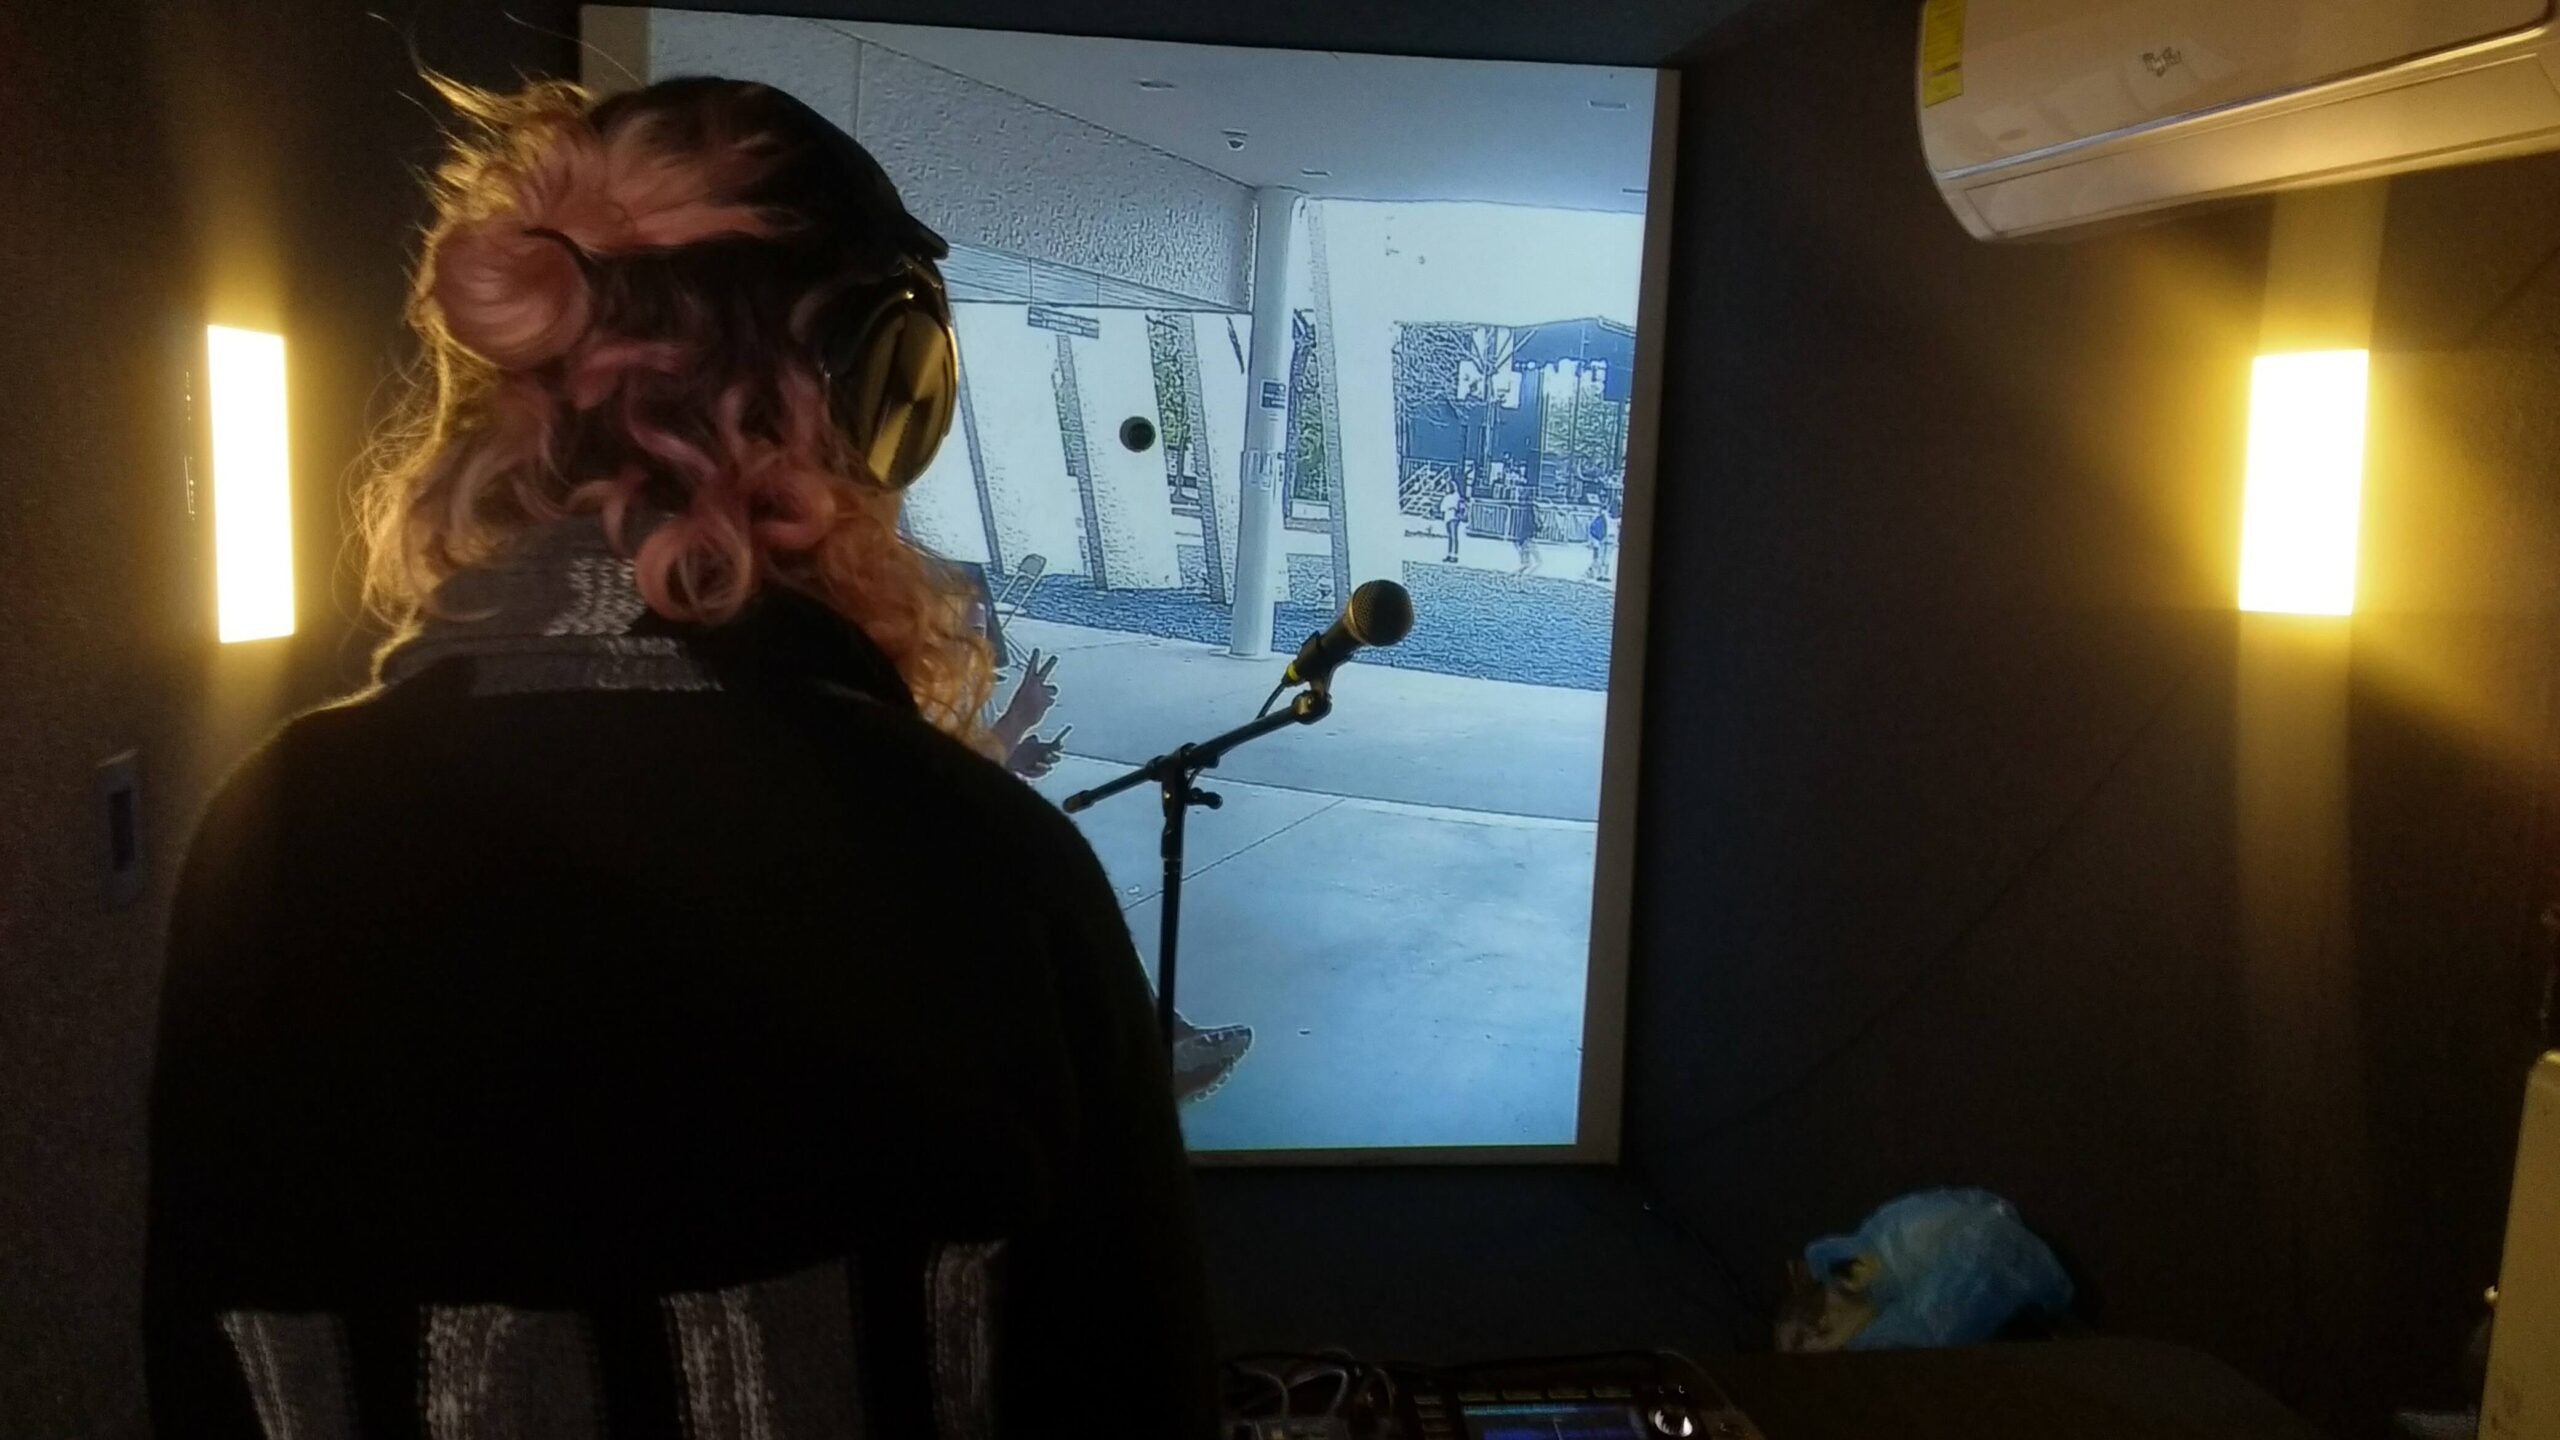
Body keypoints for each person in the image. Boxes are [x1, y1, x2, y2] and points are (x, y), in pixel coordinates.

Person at [145, 76, 1217, 1437]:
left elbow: (203, 1370)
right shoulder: (987, 869)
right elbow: (1135, 1391)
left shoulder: (275, 832)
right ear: (875, 395)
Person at [1440, 482, 1466, 563]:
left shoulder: (1456, 496)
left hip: (1453, 517)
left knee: (1454, 536)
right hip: (1447, 517)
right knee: (1450, 536)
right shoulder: (1447, 496)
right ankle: (1449, 553)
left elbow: (1457, 506)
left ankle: (1454, 555)